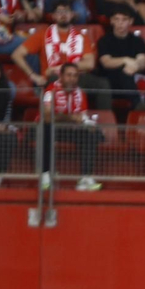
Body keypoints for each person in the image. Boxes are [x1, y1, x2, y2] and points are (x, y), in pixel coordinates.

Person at [37, 62, 102, 192]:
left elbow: (82, 116)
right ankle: (45, 175)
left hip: (70, 130)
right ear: (61, 76)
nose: (72, 79)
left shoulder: (80, 93)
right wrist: (71, 117)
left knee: (91, 133)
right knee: (47, 128)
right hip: (49, 129)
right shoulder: (51, 90)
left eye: (75, 76)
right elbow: (48, 116)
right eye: (68, 75)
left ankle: (85, 178)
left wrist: (87, 123)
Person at [94, 9, 145, 114]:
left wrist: (134, 66)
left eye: (124, 20)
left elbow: (142, 62)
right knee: (123, 72)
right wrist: (125, 60)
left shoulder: (138, 41)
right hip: (110, 82)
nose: (120, 23)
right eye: (117, 19)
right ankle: (138, 104)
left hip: (131, 79)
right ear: (111, 21)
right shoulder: (104, 40)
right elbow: (106, 62)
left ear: (130, 21)